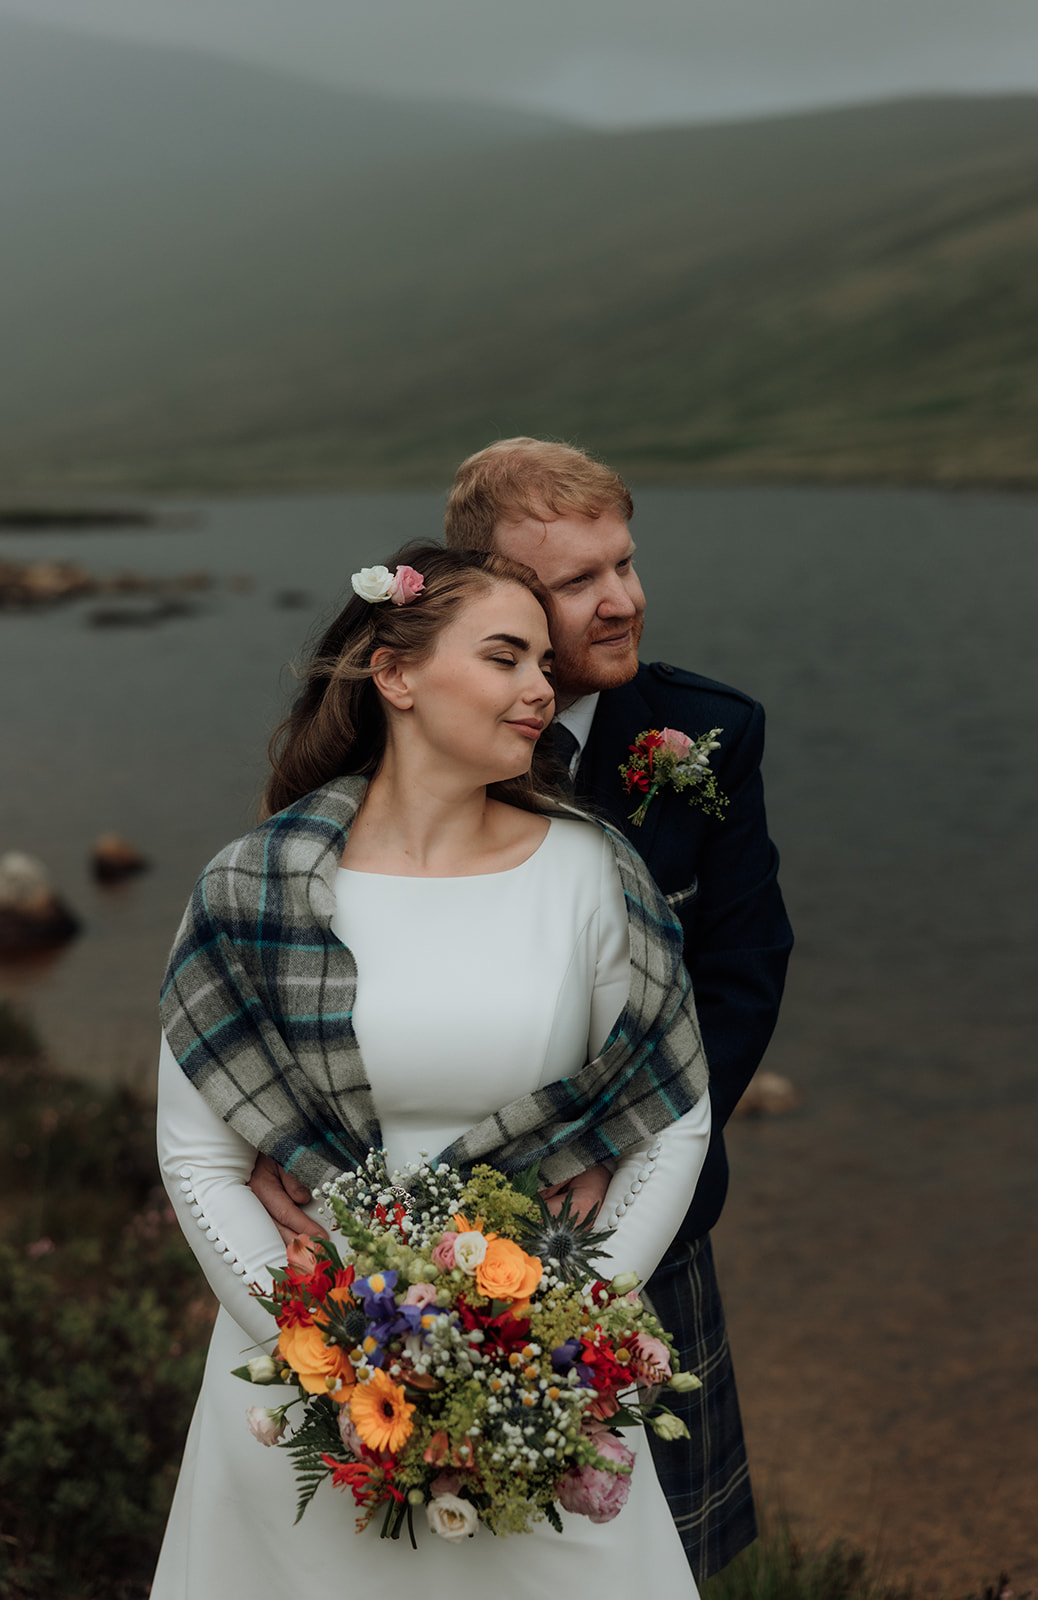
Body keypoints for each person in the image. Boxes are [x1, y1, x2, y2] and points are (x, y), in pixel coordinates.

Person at [253, 441, 793, 1579]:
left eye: (625, 564)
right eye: (576, 582)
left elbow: (742, 971)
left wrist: (627, 1149)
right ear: (490, 587)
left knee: (647, 1552)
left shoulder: (703, 735)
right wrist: (274, 1135)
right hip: (405, 1240)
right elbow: (304, 959)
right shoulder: (400, 744)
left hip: (644, 1214)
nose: (621, 601)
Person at [152, 544, 712, 1599]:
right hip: (300, 1405)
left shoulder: (594, 874)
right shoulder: (250, 885)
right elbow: (197, 1156)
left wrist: (558, 1336)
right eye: (504, 657)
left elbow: (668, 1117)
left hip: (545, 1390)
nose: (541, 687)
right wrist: (328, 1355)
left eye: (544, 663)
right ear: (395, 675)